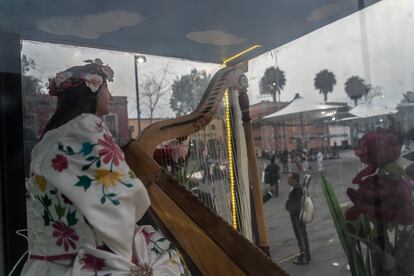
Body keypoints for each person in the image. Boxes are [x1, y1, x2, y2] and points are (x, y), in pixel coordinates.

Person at [21, 59, 184, 275]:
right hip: (87, 266)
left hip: (46, 265)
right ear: (93, 91)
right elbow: (123, 197)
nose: (111, 97)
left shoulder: (46, 141)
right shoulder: (88, 126)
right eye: (107, 89)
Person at [285, 173, 310, 264]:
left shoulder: (297, 189)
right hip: (297, 216)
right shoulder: (297, 188)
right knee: (302, 235)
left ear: (295, 179)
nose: (287, 181)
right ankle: (306, 254)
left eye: (289, 179)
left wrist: (290, 207)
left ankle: (304, 257)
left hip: (297, 216)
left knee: (300, 236)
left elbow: (297, 204)